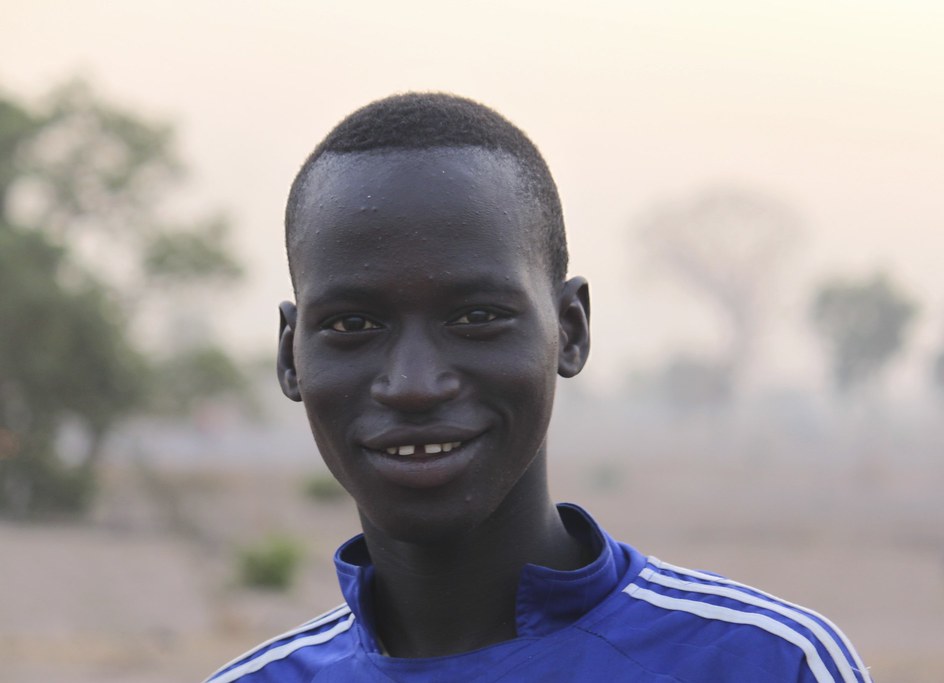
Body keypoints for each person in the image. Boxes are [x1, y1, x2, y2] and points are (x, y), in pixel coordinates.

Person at [204, 93, 872, 682]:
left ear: (570, 330)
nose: (412, 384)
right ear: (292, 355)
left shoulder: (767, 664)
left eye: (476, 317)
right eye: (352, 324)